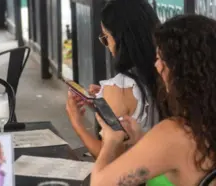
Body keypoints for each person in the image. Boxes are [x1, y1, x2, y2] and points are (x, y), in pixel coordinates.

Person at [91, 14, 216, 186]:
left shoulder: (176, 132)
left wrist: (111, 141)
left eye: (160, 59)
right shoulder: (202, 127)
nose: (156, 66)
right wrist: (142, 139)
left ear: (182, 71)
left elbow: (100, 183)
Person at [66, 0, 161, 158]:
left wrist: (77, 123)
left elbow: (108, 158)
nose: (107, 45)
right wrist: (104, 104)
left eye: (106, 37)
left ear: (120, 39)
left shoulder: (120, 86)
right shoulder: (164, 71)